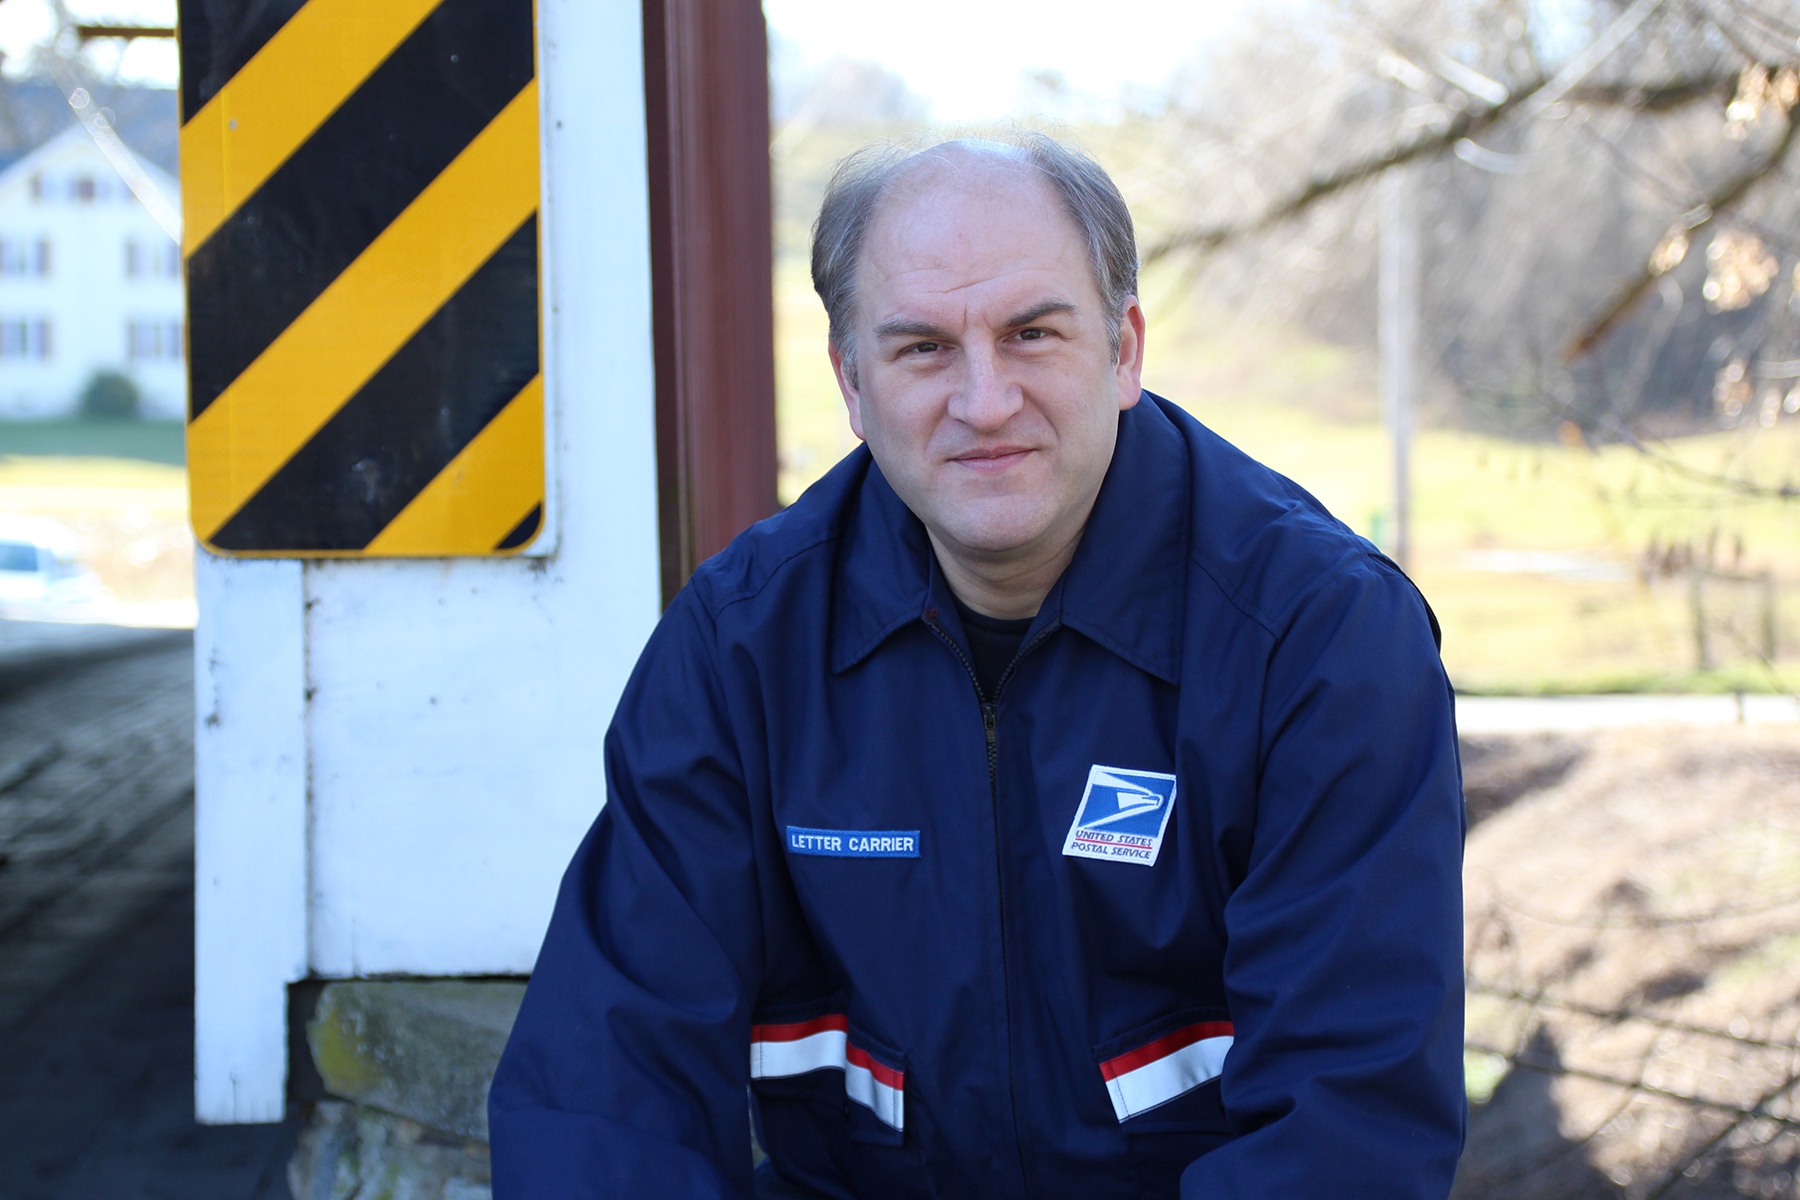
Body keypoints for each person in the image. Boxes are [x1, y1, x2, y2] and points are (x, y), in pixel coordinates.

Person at [490, 133, 1466, 1200]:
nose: (985, 399)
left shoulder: (1318, 640)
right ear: (852, 383)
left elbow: (1347, 1132)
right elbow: (608, 1088)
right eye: (921, 349)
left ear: (1125, 349)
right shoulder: (741, 650)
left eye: (1032, 332)